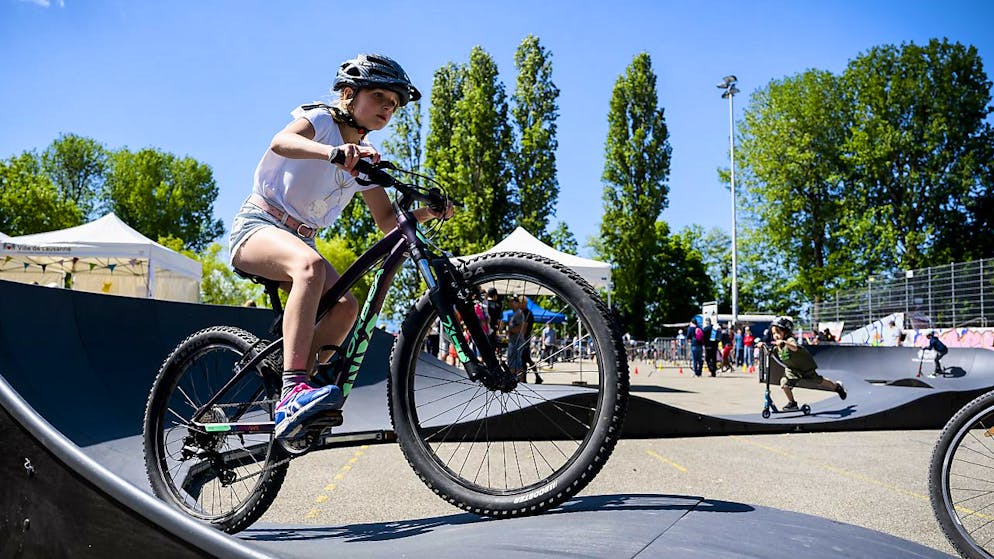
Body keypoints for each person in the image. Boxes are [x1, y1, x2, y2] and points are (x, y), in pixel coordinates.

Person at [228, 54, 451, 440]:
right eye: (380, 96)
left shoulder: (365, 159)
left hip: (300, 241)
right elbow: (281, 142)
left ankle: (296, 384)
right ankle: (292, 390)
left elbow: (387, 222)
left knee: (346, 307)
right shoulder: (321, 121)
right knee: (310, 267)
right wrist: (333, 153)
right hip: (258, 227)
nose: (387, 107)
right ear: (349, 94)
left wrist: (429, 213)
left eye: (394, 104)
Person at [757, 316, 846, 410]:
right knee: (784, 383)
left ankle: (837, 387)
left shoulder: (789, 340)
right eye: (774, 333)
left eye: (778, 332)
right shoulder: (777, 347)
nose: (776, 335)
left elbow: (794, 347)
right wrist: (762, 346)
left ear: (785, 331)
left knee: (819, 381)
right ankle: (792, 403)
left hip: (805, 368)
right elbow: (770, 353)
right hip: (792, 369)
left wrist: (784, 342)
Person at [518, 296, 542, 384]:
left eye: (520, 303)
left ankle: (525, 379)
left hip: (524, 339)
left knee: (524, 359)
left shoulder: (526, 313)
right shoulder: (525, 312)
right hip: (525, 338)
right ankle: (536, 376)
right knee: (526, 359)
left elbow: (525, 326)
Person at [506, 298, 525, 381]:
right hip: (514, 341)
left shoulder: (518, 314)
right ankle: (515, 380)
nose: (510, 304)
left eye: (511, 302)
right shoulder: (515, 314)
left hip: (516, 341)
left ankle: (518, 381)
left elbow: (520, 328)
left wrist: (509, 330)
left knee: (516, 363)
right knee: (514, 362)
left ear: (517, 303)